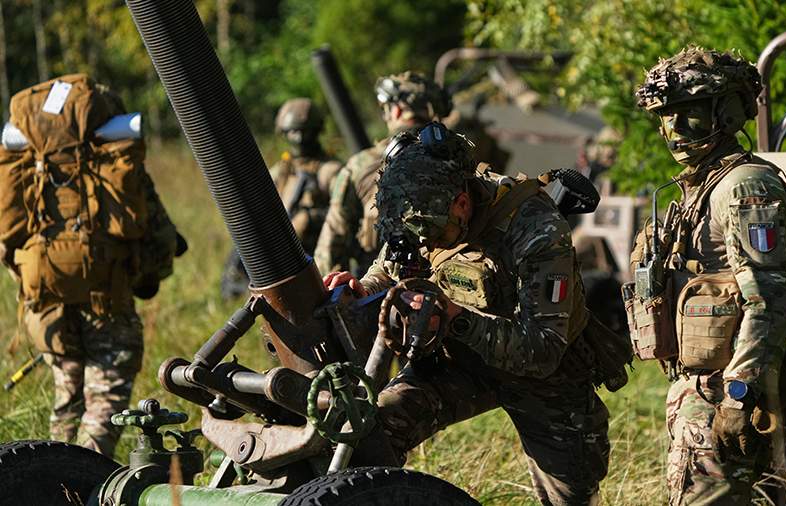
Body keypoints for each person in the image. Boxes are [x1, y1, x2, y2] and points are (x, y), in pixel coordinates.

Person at [324, 123, 631, 505]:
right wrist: (363, 290)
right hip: (460, 362)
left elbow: (544, 349)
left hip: (543, 375)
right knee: (374, 434)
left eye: (430, 233)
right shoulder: (417, 212)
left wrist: (454, 317)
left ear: (462, 203)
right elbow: (389, 268)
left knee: (572, 496)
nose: (423, 242)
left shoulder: (535, 227)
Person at [627, 47, 786, 504]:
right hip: (704, 390)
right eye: (665, 117)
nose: (673, 129)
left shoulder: (744, 186)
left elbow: (768, 297)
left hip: (727, 393)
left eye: (688, 113)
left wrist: (739, 395)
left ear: (726, 112)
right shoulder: (699, 185)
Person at [0, 75, 183, 457]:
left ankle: (51, 476)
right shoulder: (113, 164)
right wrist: (148, 277)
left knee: (66, 400)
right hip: (108, 300)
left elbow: (7, 240)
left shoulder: (29, 165)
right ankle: (84, 478)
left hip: (45, 300)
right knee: (103, 404)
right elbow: (159, 238)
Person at [313, 71, 450, 275]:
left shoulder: (359, 166)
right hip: (450, 280)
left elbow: (332, 241)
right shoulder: (456, 151)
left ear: (395, 110)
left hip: (380, 284)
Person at [220, 98, 341, 299]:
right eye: (293, 132)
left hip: (316, 248)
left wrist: (309, 218)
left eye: (305, 131)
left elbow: (344, 215)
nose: (299, 138)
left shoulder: (330, 171)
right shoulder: (281, 171)